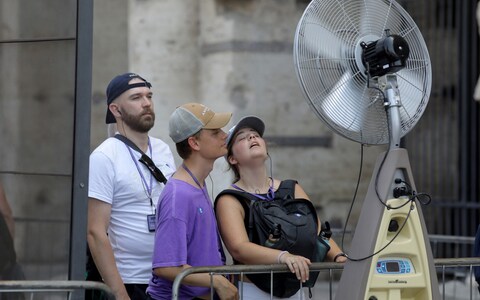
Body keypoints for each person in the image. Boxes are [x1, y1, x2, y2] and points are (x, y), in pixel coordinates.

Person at [214, 116, 347, 300]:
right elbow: (239, 248)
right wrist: (283, 257)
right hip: (254, 291)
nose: (252, 138)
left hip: (295, 287)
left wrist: (339, 256)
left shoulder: (292, 188)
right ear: (232, 158)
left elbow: (317, 232)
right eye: (242, 138)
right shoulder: (230, 198)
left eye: (255, 135)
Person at [87, 73, 176, 300]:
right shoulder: (104, 157)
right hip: (131, 282)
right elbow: (95, 231)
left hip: (171, 277)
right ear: (116, 110)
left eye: (149, 96)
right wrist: (119, 294)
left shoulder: (163, 149)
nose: (146, 103)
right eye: (136, 97)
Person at [146, 103, 238, 300]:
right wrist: (218, 281)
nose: (224, 135)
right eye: (214, 132)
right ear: (194, 143)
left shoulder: (196, 184)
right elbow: (166, 266)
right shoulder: (179, 195)